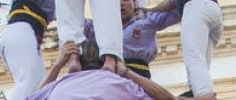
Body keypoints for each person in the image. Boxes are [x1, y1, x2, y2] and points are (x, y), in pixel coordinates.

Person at [30, 40, 180, 100]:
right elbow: (168, 99)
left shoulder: (59, 86)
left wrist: (57, 65)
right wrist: (126, 72)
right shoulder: (120, 84)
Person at [86, 0, 179, 80]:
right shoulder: (98, 28)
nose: (120, 3)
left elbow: (180, 5)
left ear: (134, 4)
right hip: (109, 76)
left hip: (138, 76)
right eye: (114, 0)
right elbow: (73, 20)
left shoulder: (147, 21)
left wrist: (154, 9)